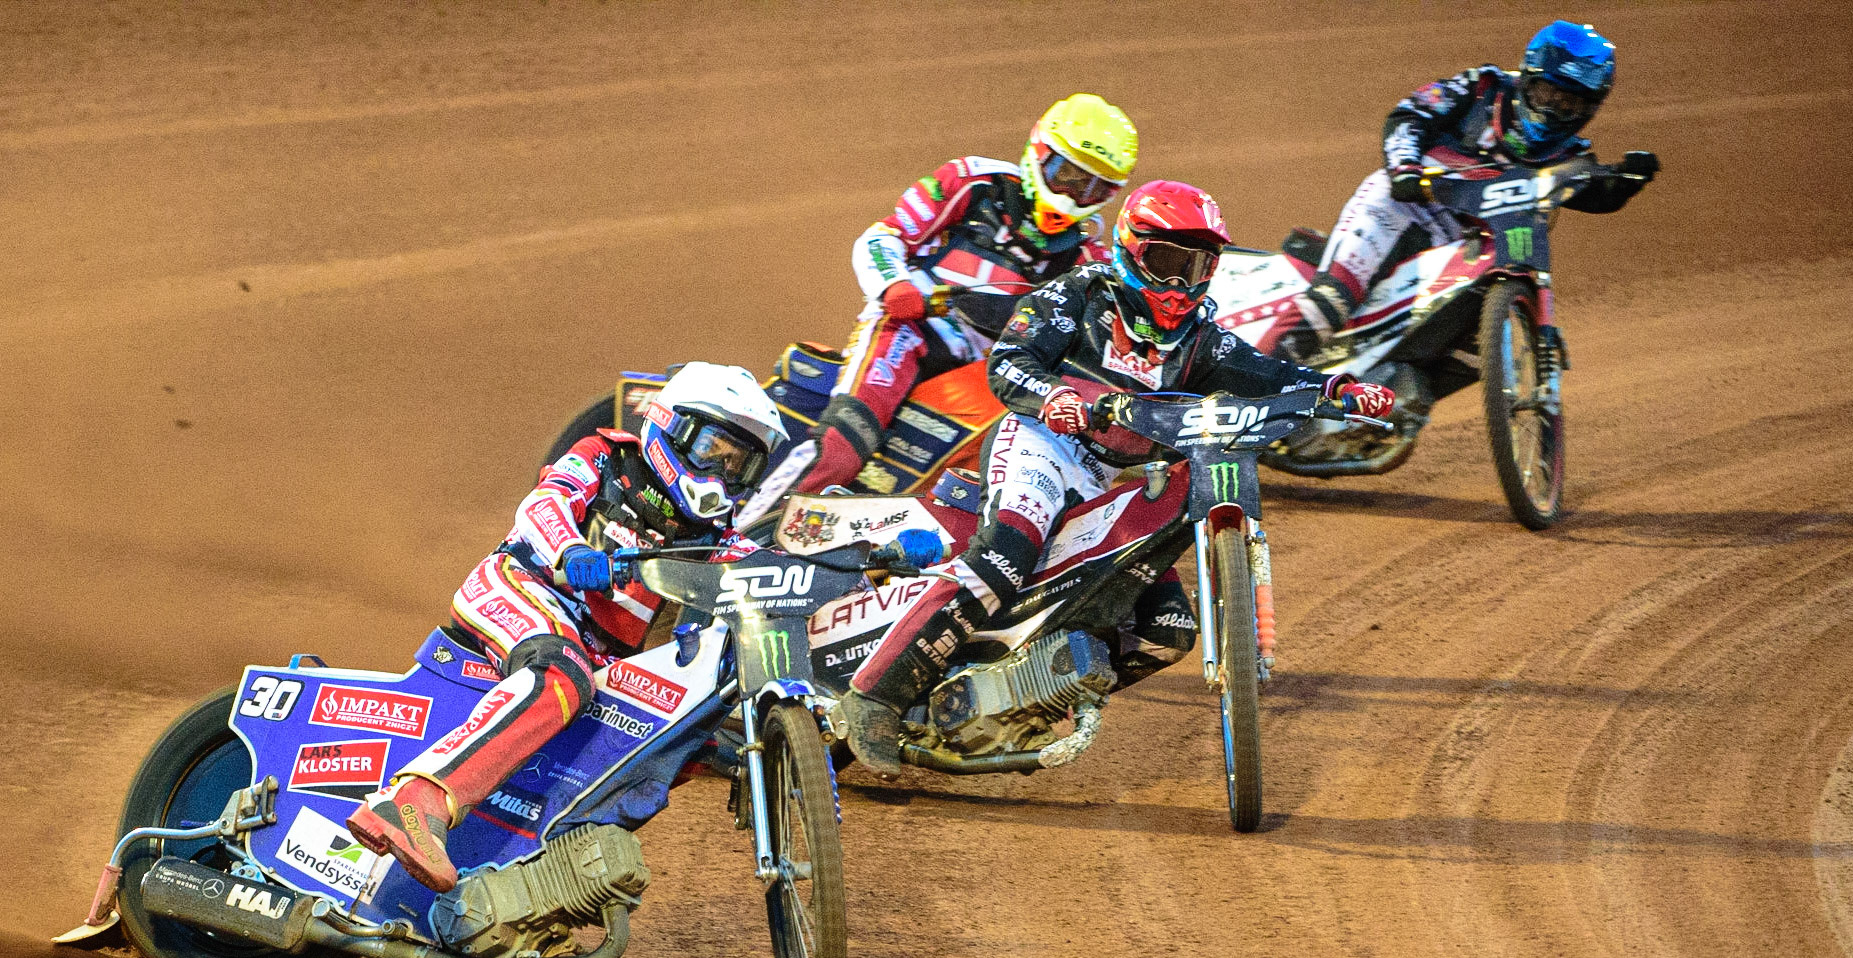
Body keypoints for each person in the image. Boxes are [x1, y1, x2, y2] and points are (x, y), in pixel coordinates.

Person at [838, 181, 1396, 777]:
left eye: (1199, 266)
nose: (1182, 284)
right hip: (1041, 444)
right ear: (1133, 250)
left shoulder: (1201, 339)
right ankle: (876, 696)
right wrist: (1052, 395)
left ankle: (1023, 697)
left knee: (1168, 628)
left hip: (1107, 478)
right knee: (1003, 556)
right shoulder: (1079, 293)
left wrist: (1339, 390)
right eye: (1168, 262)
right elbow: (1008, 363)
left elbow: (1269, 373)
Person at [346, 363, 788, 891]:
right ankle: (416, 801)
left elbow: (769, 569)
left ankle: (525, 870)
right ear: (673, 426)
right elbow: (545, 502)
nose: (720, 475)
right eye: (713, 451)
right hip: (520, 588)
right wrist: (571, 549)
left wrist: (880, 563)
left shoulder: (712, 534)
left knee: (686, 735)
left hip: (592, 650)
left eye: (738, 466)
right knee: (562, 677)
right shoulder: (606, 457)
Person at [740, 94, 1138, 525]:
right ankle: (740, 535)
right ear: (1039, 154)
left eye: (1096, 187)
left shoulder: (1090, 260)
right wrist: (895, 285)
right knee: (844, 442)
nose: (1076, 194)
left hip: (987, 375)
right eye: (1069, 175)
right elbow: (883, 237)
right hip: (912, 330)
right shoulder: (973, 183)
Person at [1279, 19, 1661, 356]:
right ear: (1528, 78)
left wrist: (1626, 180)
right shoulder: (1482, 87)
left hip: (1471, 246)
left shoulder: (1570, 154)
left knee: (1461, 354)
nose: (1554, 110)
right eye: (1548, 94)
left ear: (1589, 109)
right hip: (1406, 206)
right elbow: (1409, 114)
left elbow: (1594, 193)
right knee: (1328, 306)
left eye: (1569, 104)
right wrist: (1405, 170)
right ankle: (1256, 384)